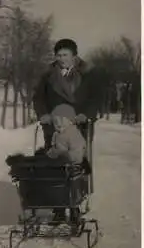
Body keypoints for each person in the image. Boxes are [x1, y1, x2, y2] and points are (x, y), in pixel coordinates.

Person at [32, 38, 99, 222]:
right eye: (59, 55)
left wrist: (87, 114)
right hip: (55, 126)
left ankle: (75, 205)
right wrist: (43, 114)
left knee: (76, 165)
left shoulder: (88, 74)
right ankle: (59, 208)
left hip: (79, 125)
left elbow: (95, 98)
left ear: (74, 56)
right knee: (56, 163)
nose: (61, 59)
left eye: (65, 55)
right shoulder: (48, 75)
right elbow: (38, 98)